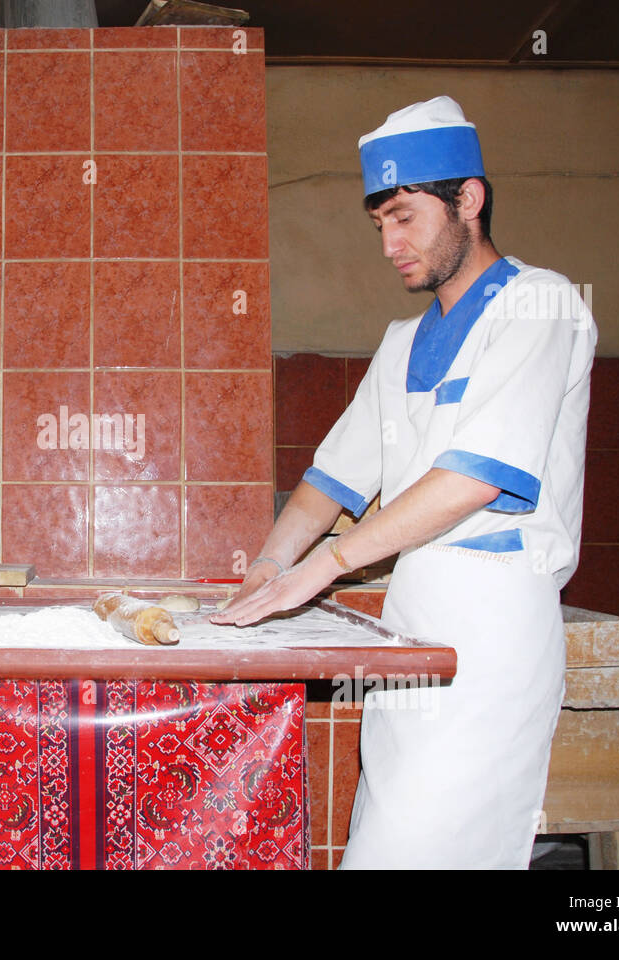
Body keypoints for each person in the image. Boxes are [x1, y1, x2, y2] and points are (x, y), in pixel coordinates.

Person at [212, 96, 596, 868]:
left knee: (430, 849)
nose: (390, 243)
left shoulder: (540, 306)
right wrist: (270, 566)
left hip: (494, 621)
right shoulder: (402, 342)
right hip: (412, 613)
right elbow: (331, 479)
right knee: (388, 836)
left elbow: (472, 480)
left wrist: (324, 568)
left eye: (405, 216)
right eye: (379, 223)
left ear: (470, 199)